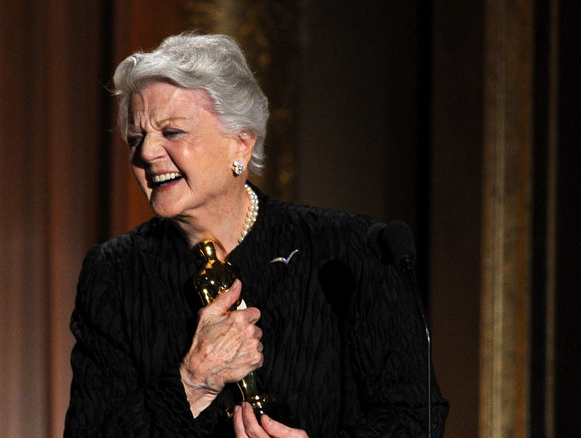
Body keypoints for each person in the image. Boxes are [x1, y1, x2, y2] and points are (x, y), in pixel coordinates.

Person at [64, 33, 448, 437]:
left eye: (171, 132)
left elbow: (418, 417)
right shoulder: (114, 273)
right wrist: (193, 380)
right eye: (136, 138)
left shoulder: (347, 249)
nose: (145, 153)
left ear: (241, 144)